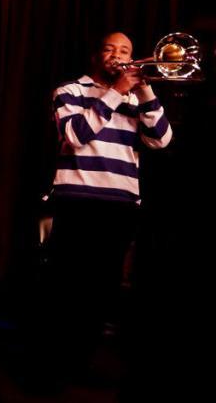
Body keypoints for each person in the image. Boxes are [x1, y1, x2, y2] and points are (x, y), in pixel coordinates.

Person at [45, 31, 172, 383]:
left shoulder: (135, 97)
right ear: (95, 56)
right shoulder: (70, 91)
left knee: (101, 292)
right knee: (67, 288)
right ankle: (53, 367)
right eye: (110, 48)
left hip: (119, 205)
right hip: (78, 201)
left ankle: (79, 364)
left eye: (126, 51)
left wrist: (143, 88)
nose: (118, 55)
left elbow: (161, 139)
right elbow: (76, 136)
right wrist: (116, 91)